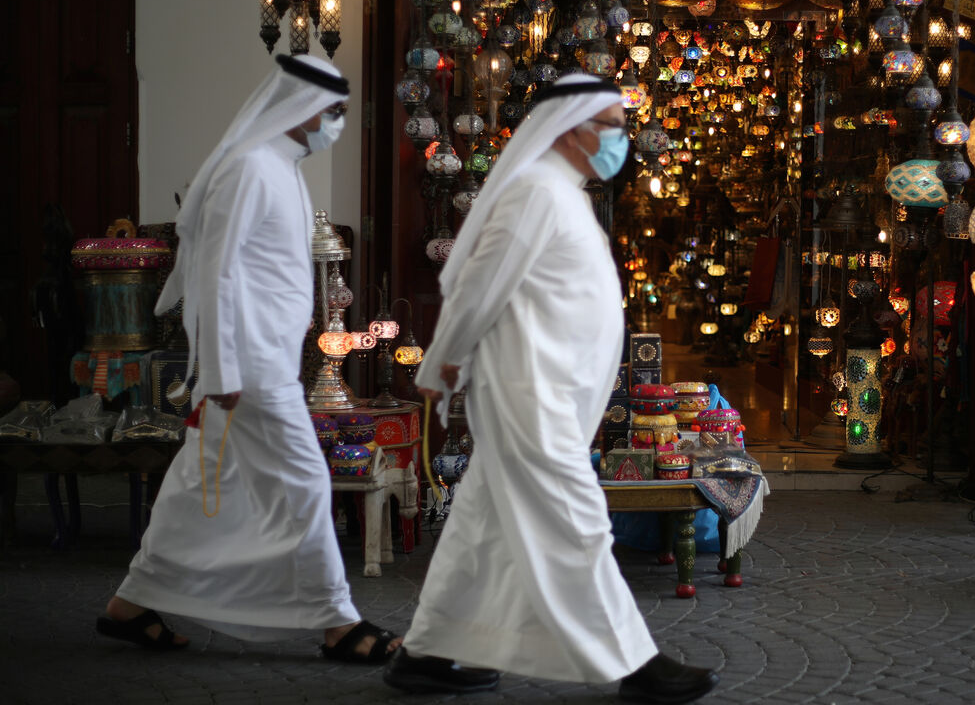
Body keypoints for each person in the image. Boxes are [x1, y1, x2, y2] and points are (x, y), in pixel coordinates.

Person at [383, 74, 720, 703]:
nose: (623, 138)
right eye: (614, 125)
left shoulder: (562, 193)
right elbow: (477, 286)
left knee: (480, 523)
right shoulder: (536, 192)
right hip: (527, 393)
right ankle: (633, 662)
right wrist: (443, 364)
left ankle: (427, 652)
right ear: (572, 128)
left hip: (549, 392)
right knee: (577, 520)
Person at [95, 54, 401, 664]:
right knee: (309, 481)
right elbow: (217, 276)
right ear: (300, 107)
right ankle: (338, 623)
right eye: (332, 112)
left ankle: (129, 606)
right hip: (252, 369)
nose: (336, 123)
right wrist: (223, 370)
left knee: (194, 485)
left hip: (265, 362)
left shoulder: (279, 166)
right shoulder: (249, 169)